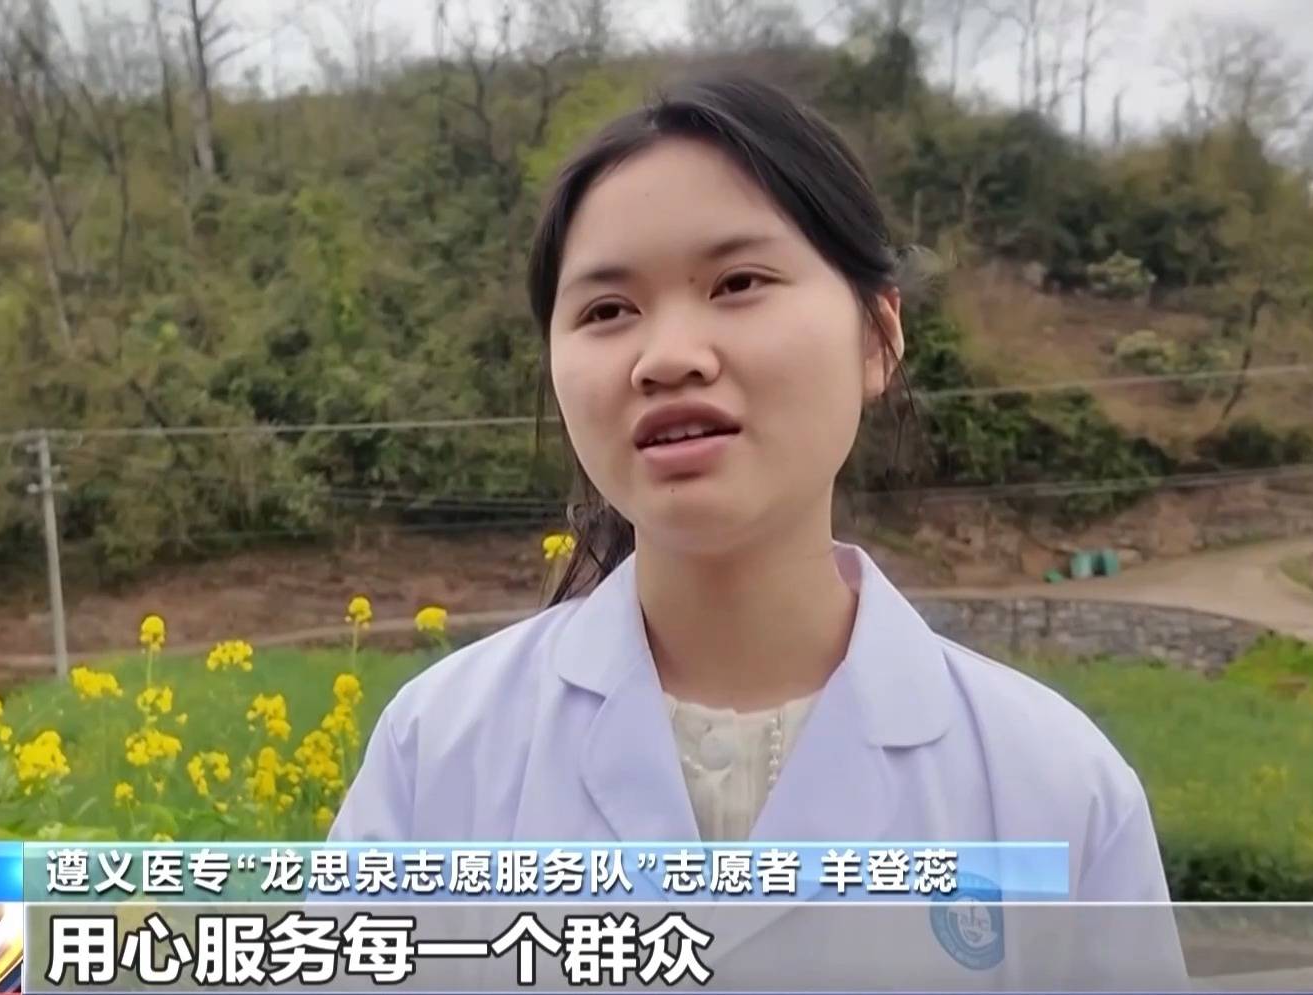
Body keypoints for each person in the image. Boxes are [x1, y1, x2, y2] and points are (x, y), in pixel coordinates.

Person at [329, 71, 1187, 990]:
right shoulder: (439, 751)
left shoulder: (1055, 787)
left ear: (878, 336)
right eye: (607, 310)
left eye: (739, 282)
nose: (667, 358)